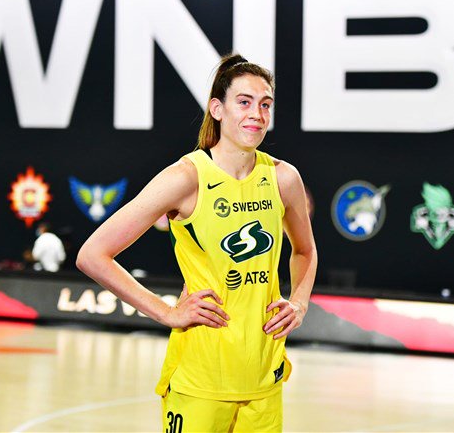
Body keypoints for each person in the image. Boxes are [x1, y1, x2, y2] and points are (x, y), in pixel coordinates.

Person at [76, 53, 317, 432]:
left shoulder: (283, 178)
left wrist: (299, 303)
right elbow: (92, 255)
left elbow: (305, 250)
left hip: (263, 377)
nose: (257, 114)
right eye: (244, 102)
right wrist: (165, 312)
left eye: (265, 104)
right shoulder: (186, 178)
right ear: (217, 109)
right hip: (200, 377)